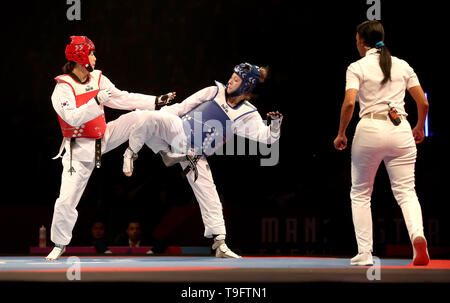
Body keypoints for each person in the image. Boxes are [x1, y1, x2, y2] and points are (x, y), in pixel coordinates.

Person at [122, 63, 283, 258]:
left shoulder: (246, 114)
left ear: (246, 86)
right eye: (232, 76)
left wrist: (274, 125)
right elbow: (182, 108)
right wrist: (158, 117)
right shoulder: (214, 91)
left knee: (210, 195)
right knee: (145, 117)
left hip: (194, 154)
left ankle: (220, 243)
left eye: (236, 79)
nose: (230, 80)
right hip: (178, 130)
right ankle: (134, 153)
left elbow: (268, 138)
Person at [45, 36, 174, 260]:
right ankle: (59, 244)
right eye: (92, 53)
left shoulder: (98, 78)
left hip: (104, 136)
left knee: (141, 117)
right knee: (66, 201)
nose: (95, 57)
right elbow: (73, 118)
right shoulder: (62, 89)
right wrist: (95, 102)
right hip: (79, 150)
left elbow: (123, 98)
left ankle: (131, 153)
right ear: (80, 58)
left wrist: (156, 100)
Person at [333, 21, 430, 266]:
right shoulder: (402, 65)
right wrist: (419, 127)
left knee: (361, 193)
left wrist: (341, 133)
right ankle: (417, 235)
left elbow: (348, 104)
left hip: (369, 129)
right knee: (407, 191)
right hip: (401, 130)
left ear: (362, 42)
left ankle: (365, 254)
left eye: (356, 41)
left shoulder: (357, 66)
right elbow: (424, 103)